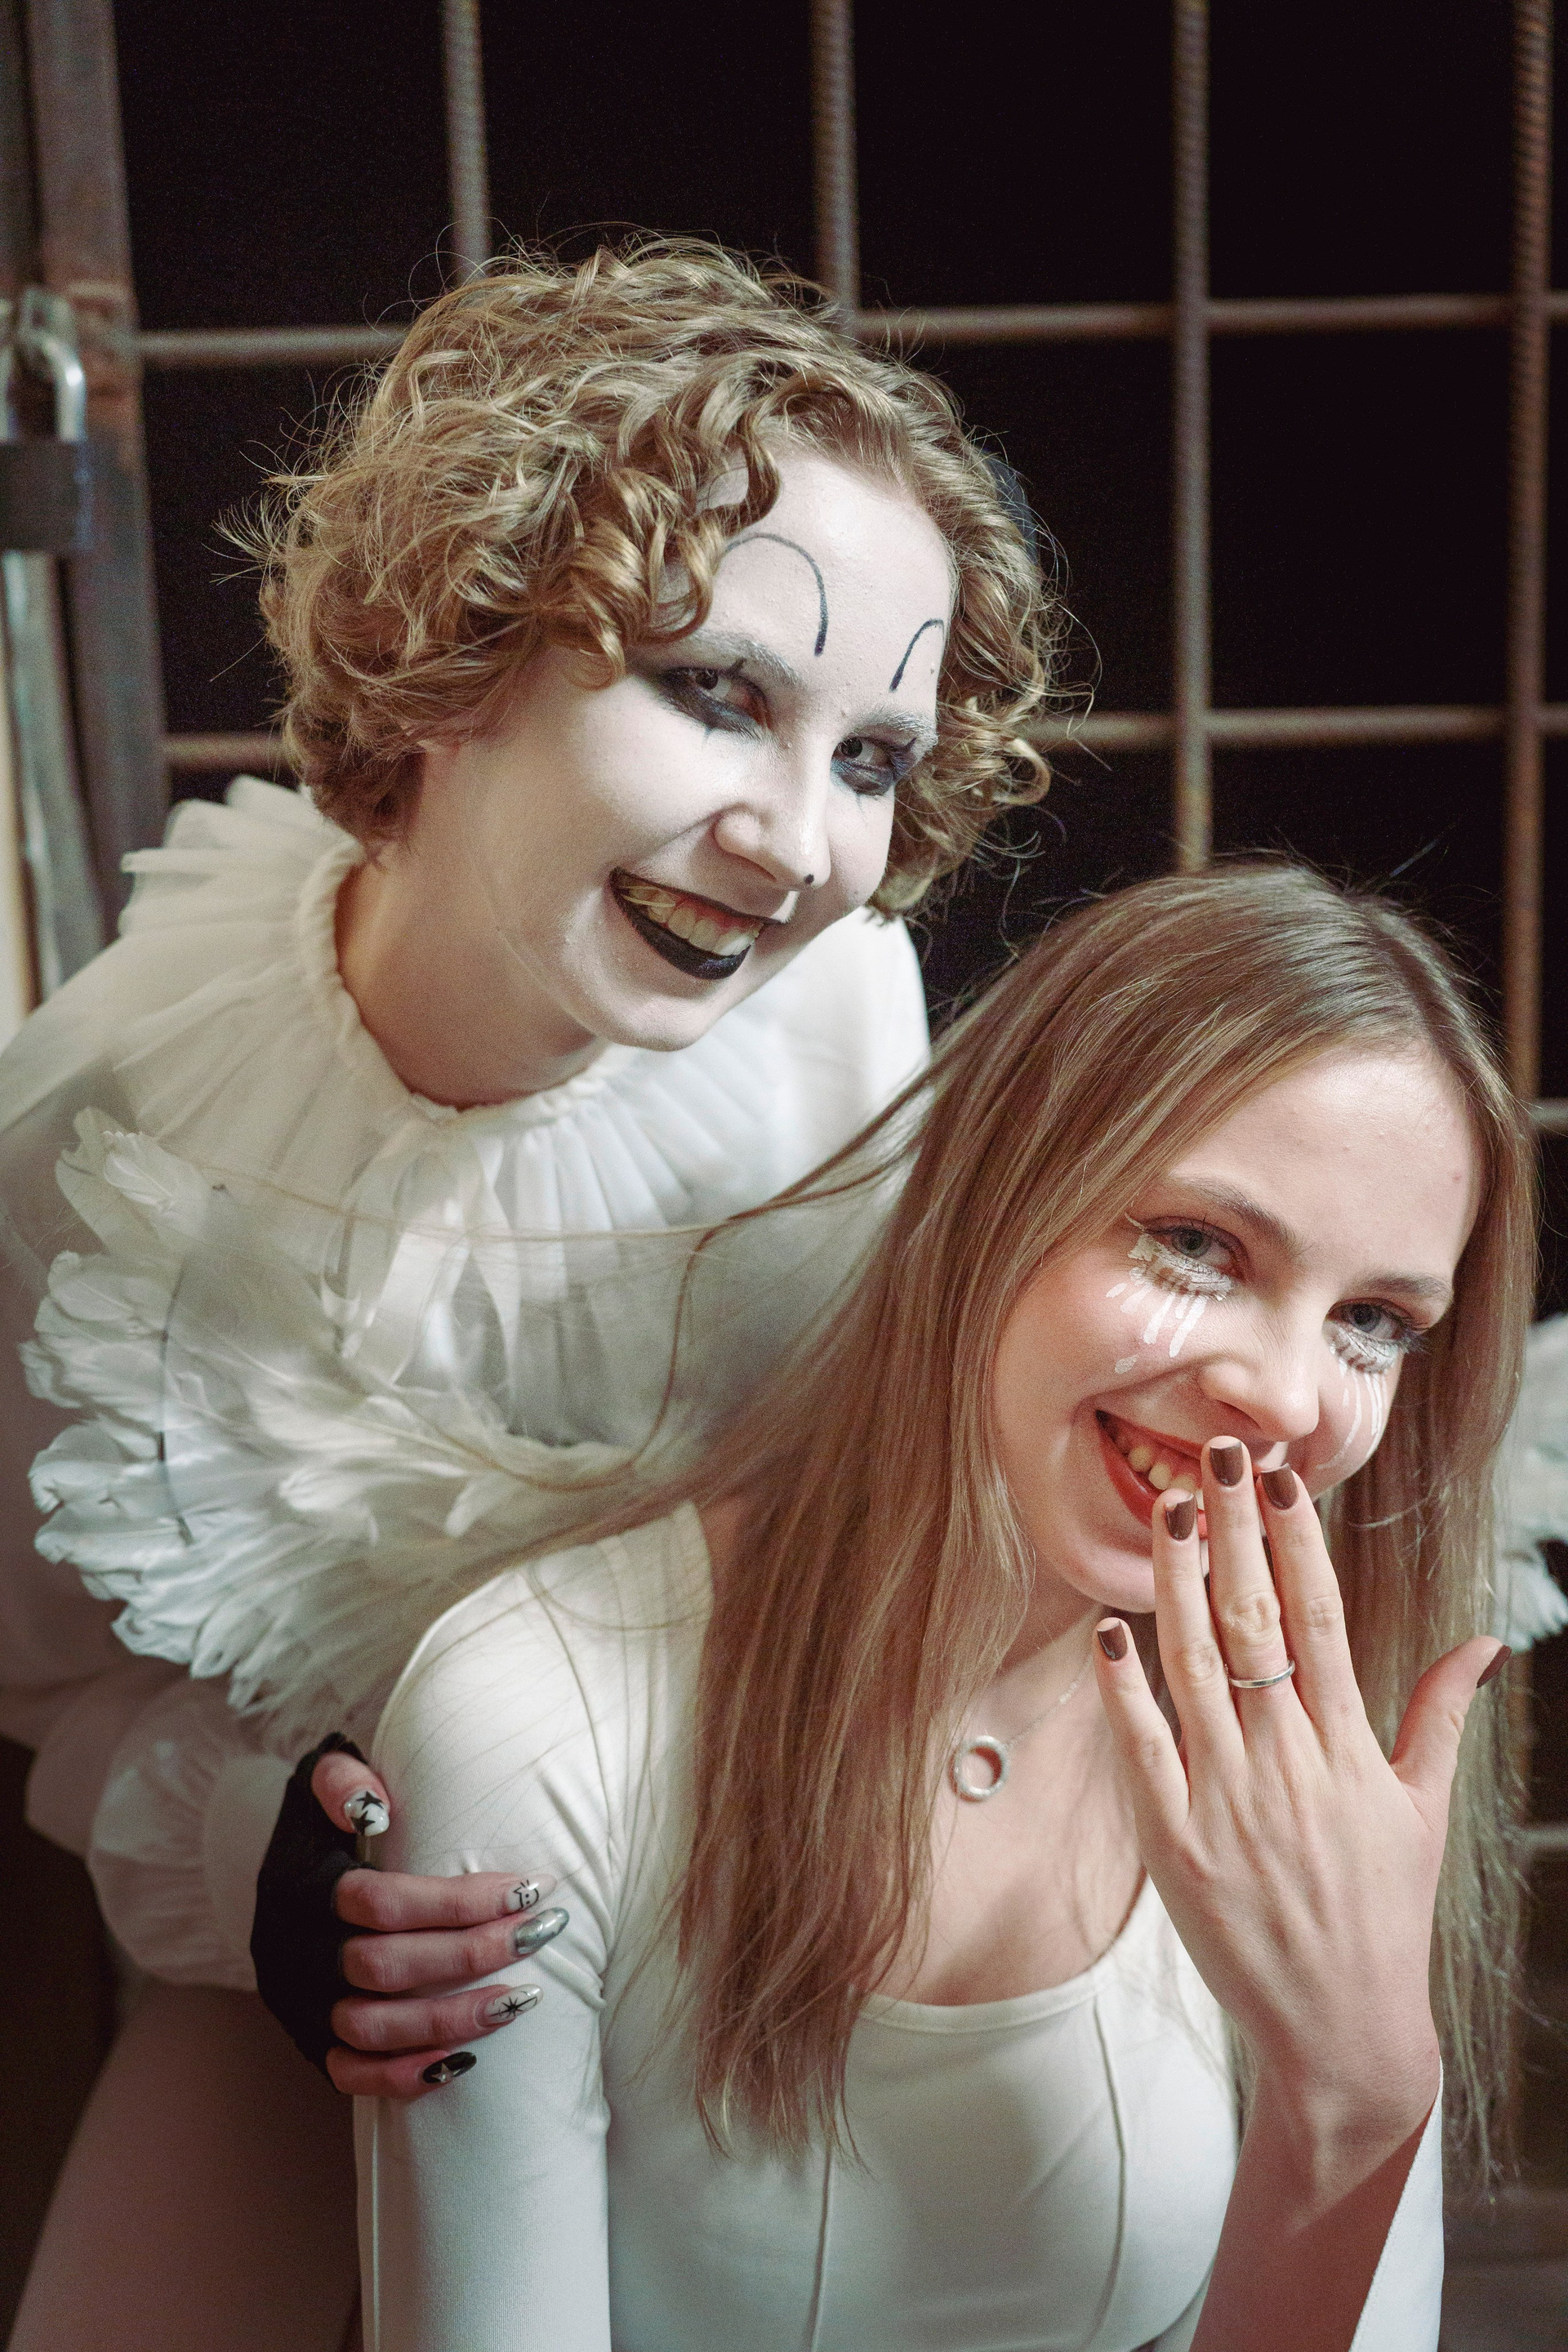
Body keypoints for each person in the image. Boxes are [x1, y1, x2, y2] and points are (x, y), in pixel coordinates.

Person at [0, 240, 1055, 2351]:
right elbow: (54, 1689)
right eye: (720, 692)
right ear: (456, 647)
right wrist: (266, 1869)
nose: (800, 844)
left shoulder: (847, 1019)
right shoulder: (101, 1132)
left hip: (760, 1920)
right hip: (371, 1970)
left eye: (872, 757)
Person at [358, 865, 1528, 2352]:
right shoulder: (542, 1713)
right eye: (1198, 1246)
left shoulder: (1322, 1771)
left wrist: (1357, 2099)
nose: (1288, 1400)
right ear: (992, 1195)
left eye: (1372, 1323)